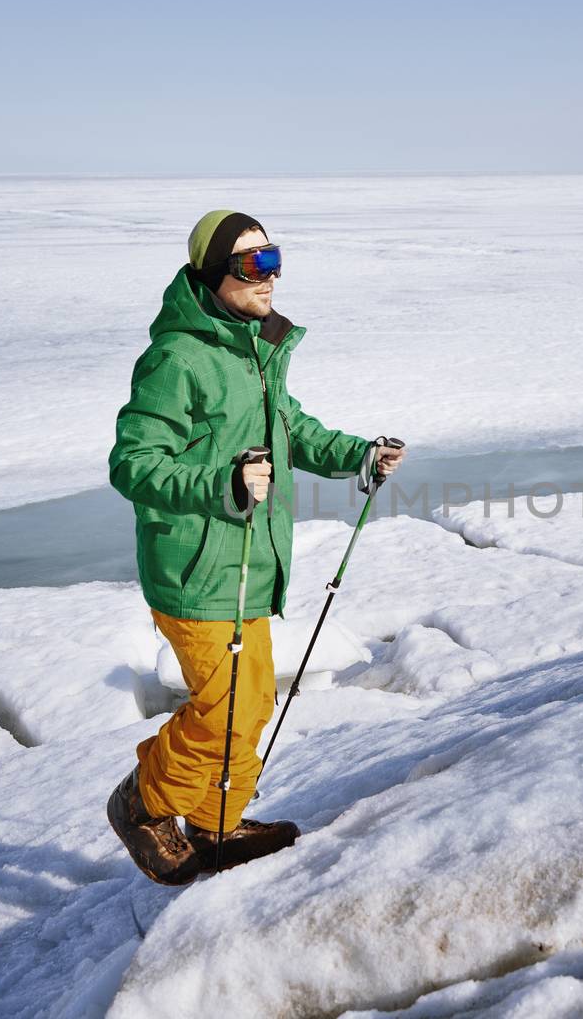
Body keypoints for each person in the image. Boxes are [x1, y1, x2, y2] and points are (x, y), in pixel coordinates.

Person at [105, 209, 405, 885]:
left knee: (253, 701)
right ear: (216, 276)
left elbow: (290, 428)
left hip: (248, 565)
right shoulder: (176, 359)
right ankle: (144, 803)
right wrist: (222, 483)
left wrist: (361, 456)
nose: (270, 277)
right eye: (252, 264)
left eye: (274, 259)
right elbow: (133, 462)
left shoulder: (256, 350)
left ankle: (216, 823)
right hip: (195, 569)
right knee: (223, 708)